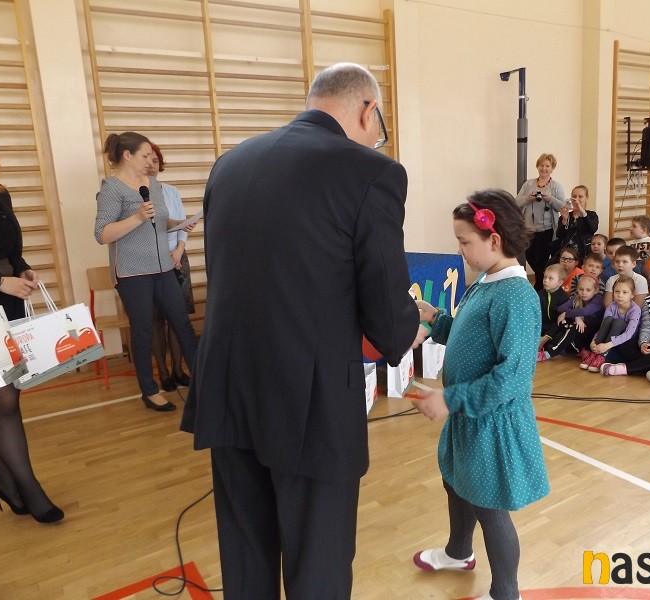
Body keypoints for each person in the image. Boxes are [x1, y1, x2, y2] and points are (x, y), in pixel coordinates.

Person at [179, 63, 421, 599]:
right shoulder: (371, 171)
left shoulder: (230, 164)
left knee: (245, 555)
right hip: (310, 400)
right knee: (318, 564)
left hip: (229, 386)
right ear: (368, 110)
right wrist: (410, 324)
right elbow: (387, 314)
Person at [412, 189, 549, 600]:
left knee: (489, 508)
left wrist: (450, 398)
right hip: (470, 415)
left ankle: (506, 592)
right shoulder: (486, 281)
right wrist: (436, 320)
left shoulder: (517, 296)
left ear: (495, 239)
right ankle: (459, 552)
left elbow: (512, 378)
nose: (460, 250)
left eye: (465, 241)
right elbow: (470, 334)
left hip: (491, 421)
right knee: (456, 482)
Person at [94, 132, 198, 412]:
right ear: (127, 156)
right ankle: (149, 391)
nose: (150, 161)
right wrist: (137, 217)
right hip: (132, 273)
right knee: (142, 331)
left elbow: (160, 222)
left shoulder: (153, 184)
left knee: (182, 323)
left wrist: (179, 224)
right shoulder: (111, 189)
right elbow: (102, 234)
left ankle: (203, 380)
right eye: (145, 156)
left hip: (163, 267)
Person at [0, 126, 63, 523]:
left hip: (7, 303)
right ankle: (29, 487)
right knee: (2, 399)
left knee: (6, 396)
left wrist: (23, 269)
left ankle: (6, 481)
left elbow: (12, 249)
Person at [147, 144, 195, 392]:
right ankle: (164, 373)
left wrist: (178, 251)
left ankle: (178, 369)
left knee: (179, 318)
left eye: (156, 161)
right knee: (156, 320)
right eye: (147, 160)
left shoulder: (171, 191)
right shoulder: (134, 194)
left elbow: (183, 224)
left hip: (177, 258)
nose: (151, 165)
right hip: (150, 262)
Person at [515, 153, 566, 291]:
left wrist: (550, 199)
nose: (544, 168)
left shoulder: (556, 187)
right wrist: (528, 198)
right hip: (529, 230)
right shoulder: (528, 184)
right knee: (530, 257)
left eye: (547, 166)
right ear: (537, 166)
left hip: (546, 230)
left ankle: (539, 286)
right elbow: (516, 202)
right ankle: (542, 281)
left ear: (552, 168)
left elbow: (563, 208)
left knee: (541, 260)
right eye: (541, 165)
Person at [539, 274, 604, 362]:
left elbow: (585, 311)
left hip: (593, 334)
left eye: (588, 290)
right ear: (577, 289)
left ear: (596, 290)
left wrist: (567, 313)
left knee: (572, 326)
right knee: (564, 321)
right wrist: (576, 317)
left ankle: (550, 353)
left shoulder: (598, 301)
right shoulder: (576, 298)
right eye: (581, 289)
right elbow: (561, 308)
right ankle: (581, 350)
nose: (584, 293)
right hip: (580, 332)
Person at [584, 277, 641, 373]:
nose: (620, 295)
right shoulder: (611, 306)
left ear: (632, 294)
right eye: (617, 291)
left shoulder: (635, 310)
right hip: (611, 334)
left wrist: (607, 345)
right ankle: (595, 353)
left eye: (624, 292)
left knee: (618, 322)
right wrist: (594, 341)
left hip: (628, 338)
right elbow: (603, 326)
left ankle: (602, 355)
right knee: (608, 319)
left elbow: (629, 334)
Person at [552, 184, 599, 260]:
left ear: (586, 198)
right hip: (566, 252)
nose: (576, 200)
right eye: (574, 196)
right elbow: (559, 235)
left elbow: (592, 229)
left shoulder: (591, 215)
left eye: (580, 197)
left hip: (584, 252)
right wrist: (565, 220)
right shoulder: (566, 215)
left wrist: (582, 212)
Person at [538, 264, 569, 350]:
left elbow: (558, 323)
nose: (546, 280)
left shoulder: (564, 298)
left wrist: (546, 337)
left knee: (559, 337)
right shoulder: (540, 294)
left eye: (550, 278)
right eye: (545, 277)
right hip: (542, 326)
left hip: (556, 327)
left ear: (560, 282)